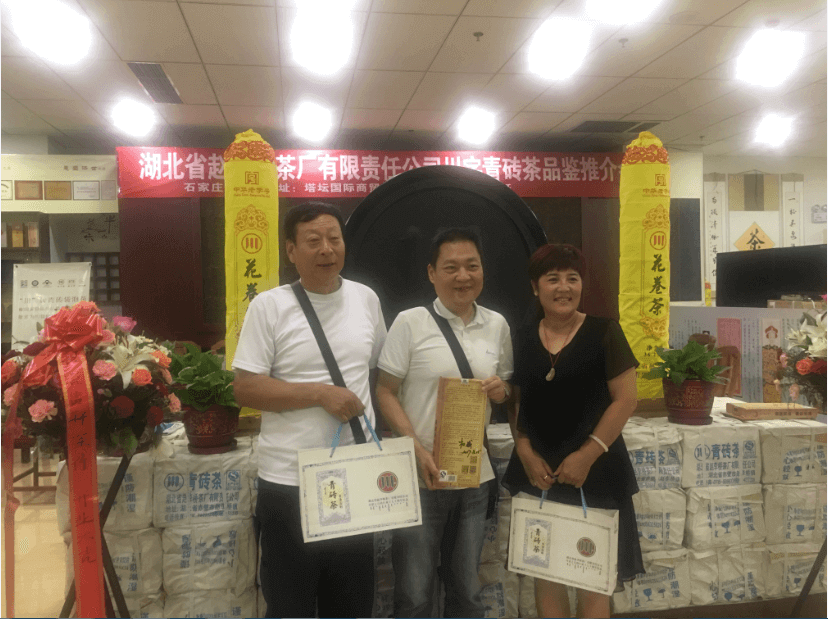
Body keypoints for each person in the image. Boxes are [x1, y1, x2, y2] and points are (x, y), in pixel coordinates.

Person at [231, 201, 387, 618]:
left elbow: (375, 372)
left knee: (352, 604)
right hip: (289, 481)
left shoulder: (366, 299)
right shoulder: (269, 306)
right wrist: (319, 394)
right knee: (290, 605)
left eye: (334, 239)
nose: (326, 249)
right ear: (290, 250)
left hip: (353, 477)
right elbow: (245, 388)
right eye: (313, 241)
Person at [375, 228, 513, 618]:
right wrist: (415, 448)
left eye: (472, 266)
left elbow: (507, 389)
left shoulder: (497, 325)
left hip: (473, 476)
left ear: (483, 270)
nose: (463, 276)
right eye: (451, 267)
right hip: (421, 477)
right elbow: (385, 391)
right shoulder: (410, 322)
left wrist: (502, 390)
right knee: (414, 592)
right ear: (432, 273)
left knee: (467, 588)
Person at [502, 243, 643, 619]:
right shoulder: (522, 337)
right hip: (540, 474)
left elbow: (626, 400)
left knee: (592, 577)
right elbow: (516, 403)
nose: (563, 287)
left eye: (572, 278)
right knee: (546, 575)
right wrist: (525, 452)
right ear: (535, 287)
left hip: (597, 472)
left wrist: (586, 455)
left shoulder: (604, 331)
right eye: (553, 279)